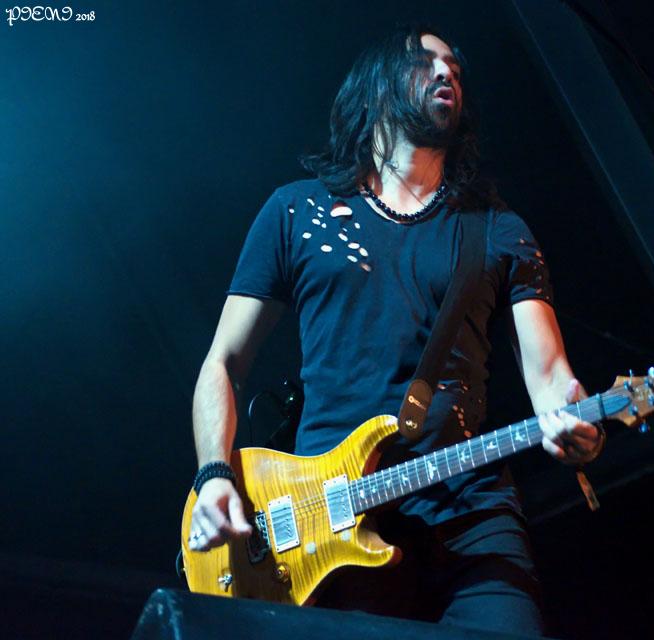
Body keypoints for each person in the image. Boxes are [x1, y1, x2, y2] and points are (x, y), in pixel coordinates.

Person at [187, 24, 603, 637]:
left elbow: (551, 380)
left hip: (471, 508)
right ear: (377, 86)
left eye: (454, 67)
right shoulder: (296, 211)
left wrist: (579, 424)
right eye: (425, 61)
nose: (446, 72)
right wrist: (215, 476)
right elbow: (223, 363)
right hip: (330, 516)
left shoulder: (498, 228)